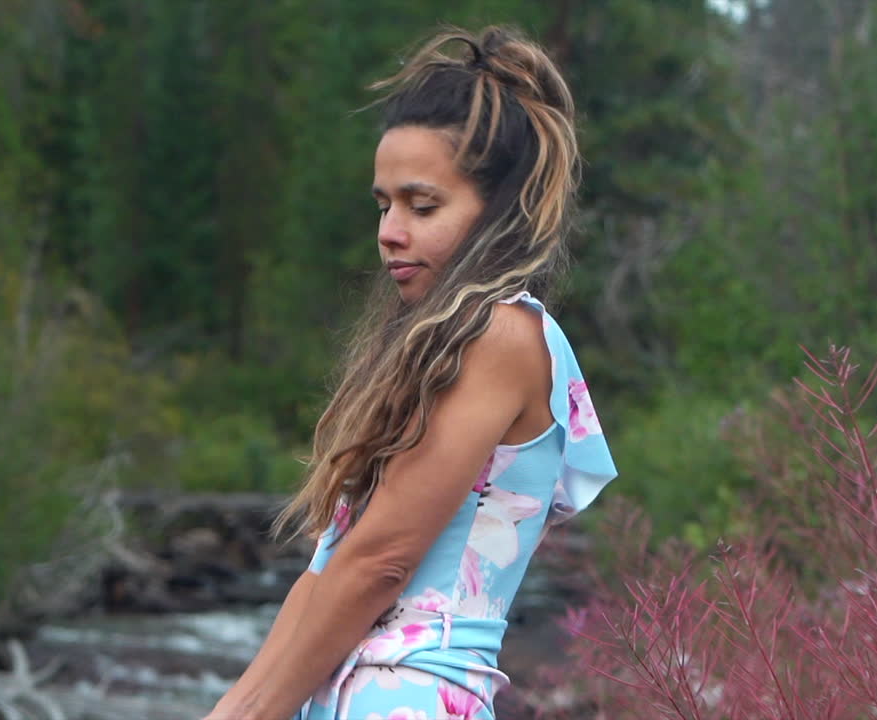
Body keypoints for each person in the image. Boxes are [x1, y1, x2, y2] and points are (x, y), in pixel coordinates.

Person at [203, 25, 618, 720]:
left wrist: (246, 715)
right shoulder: (440, 347)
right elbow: (329, 573)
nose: (390, 231)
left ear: (499, 209)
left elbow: (382, 562)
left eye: (422, 205)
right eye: (384, 204)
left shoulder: (501, 335)